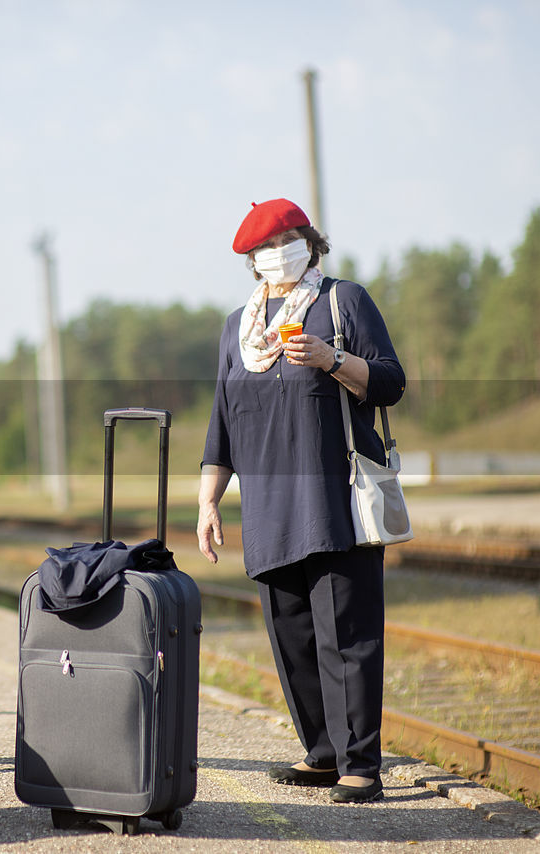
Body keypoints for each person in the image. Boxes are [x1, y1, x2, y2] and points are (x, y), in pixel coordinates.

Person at [196, 199, 405, 804]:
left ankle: (360, 765)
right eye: (265, 246)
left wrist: (332, 359)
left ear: (310, 242)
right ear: (251, 261)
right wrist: (210, 502)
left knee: (347, 635)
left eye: (288, 239)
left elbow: (391, 381)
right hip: (267, 509)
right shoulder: (239, 327)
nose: (277, 252)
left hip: (333, 500)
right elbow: (222, 424)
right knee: (293, 640)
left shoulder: (343, 302)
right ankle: (321, 752)